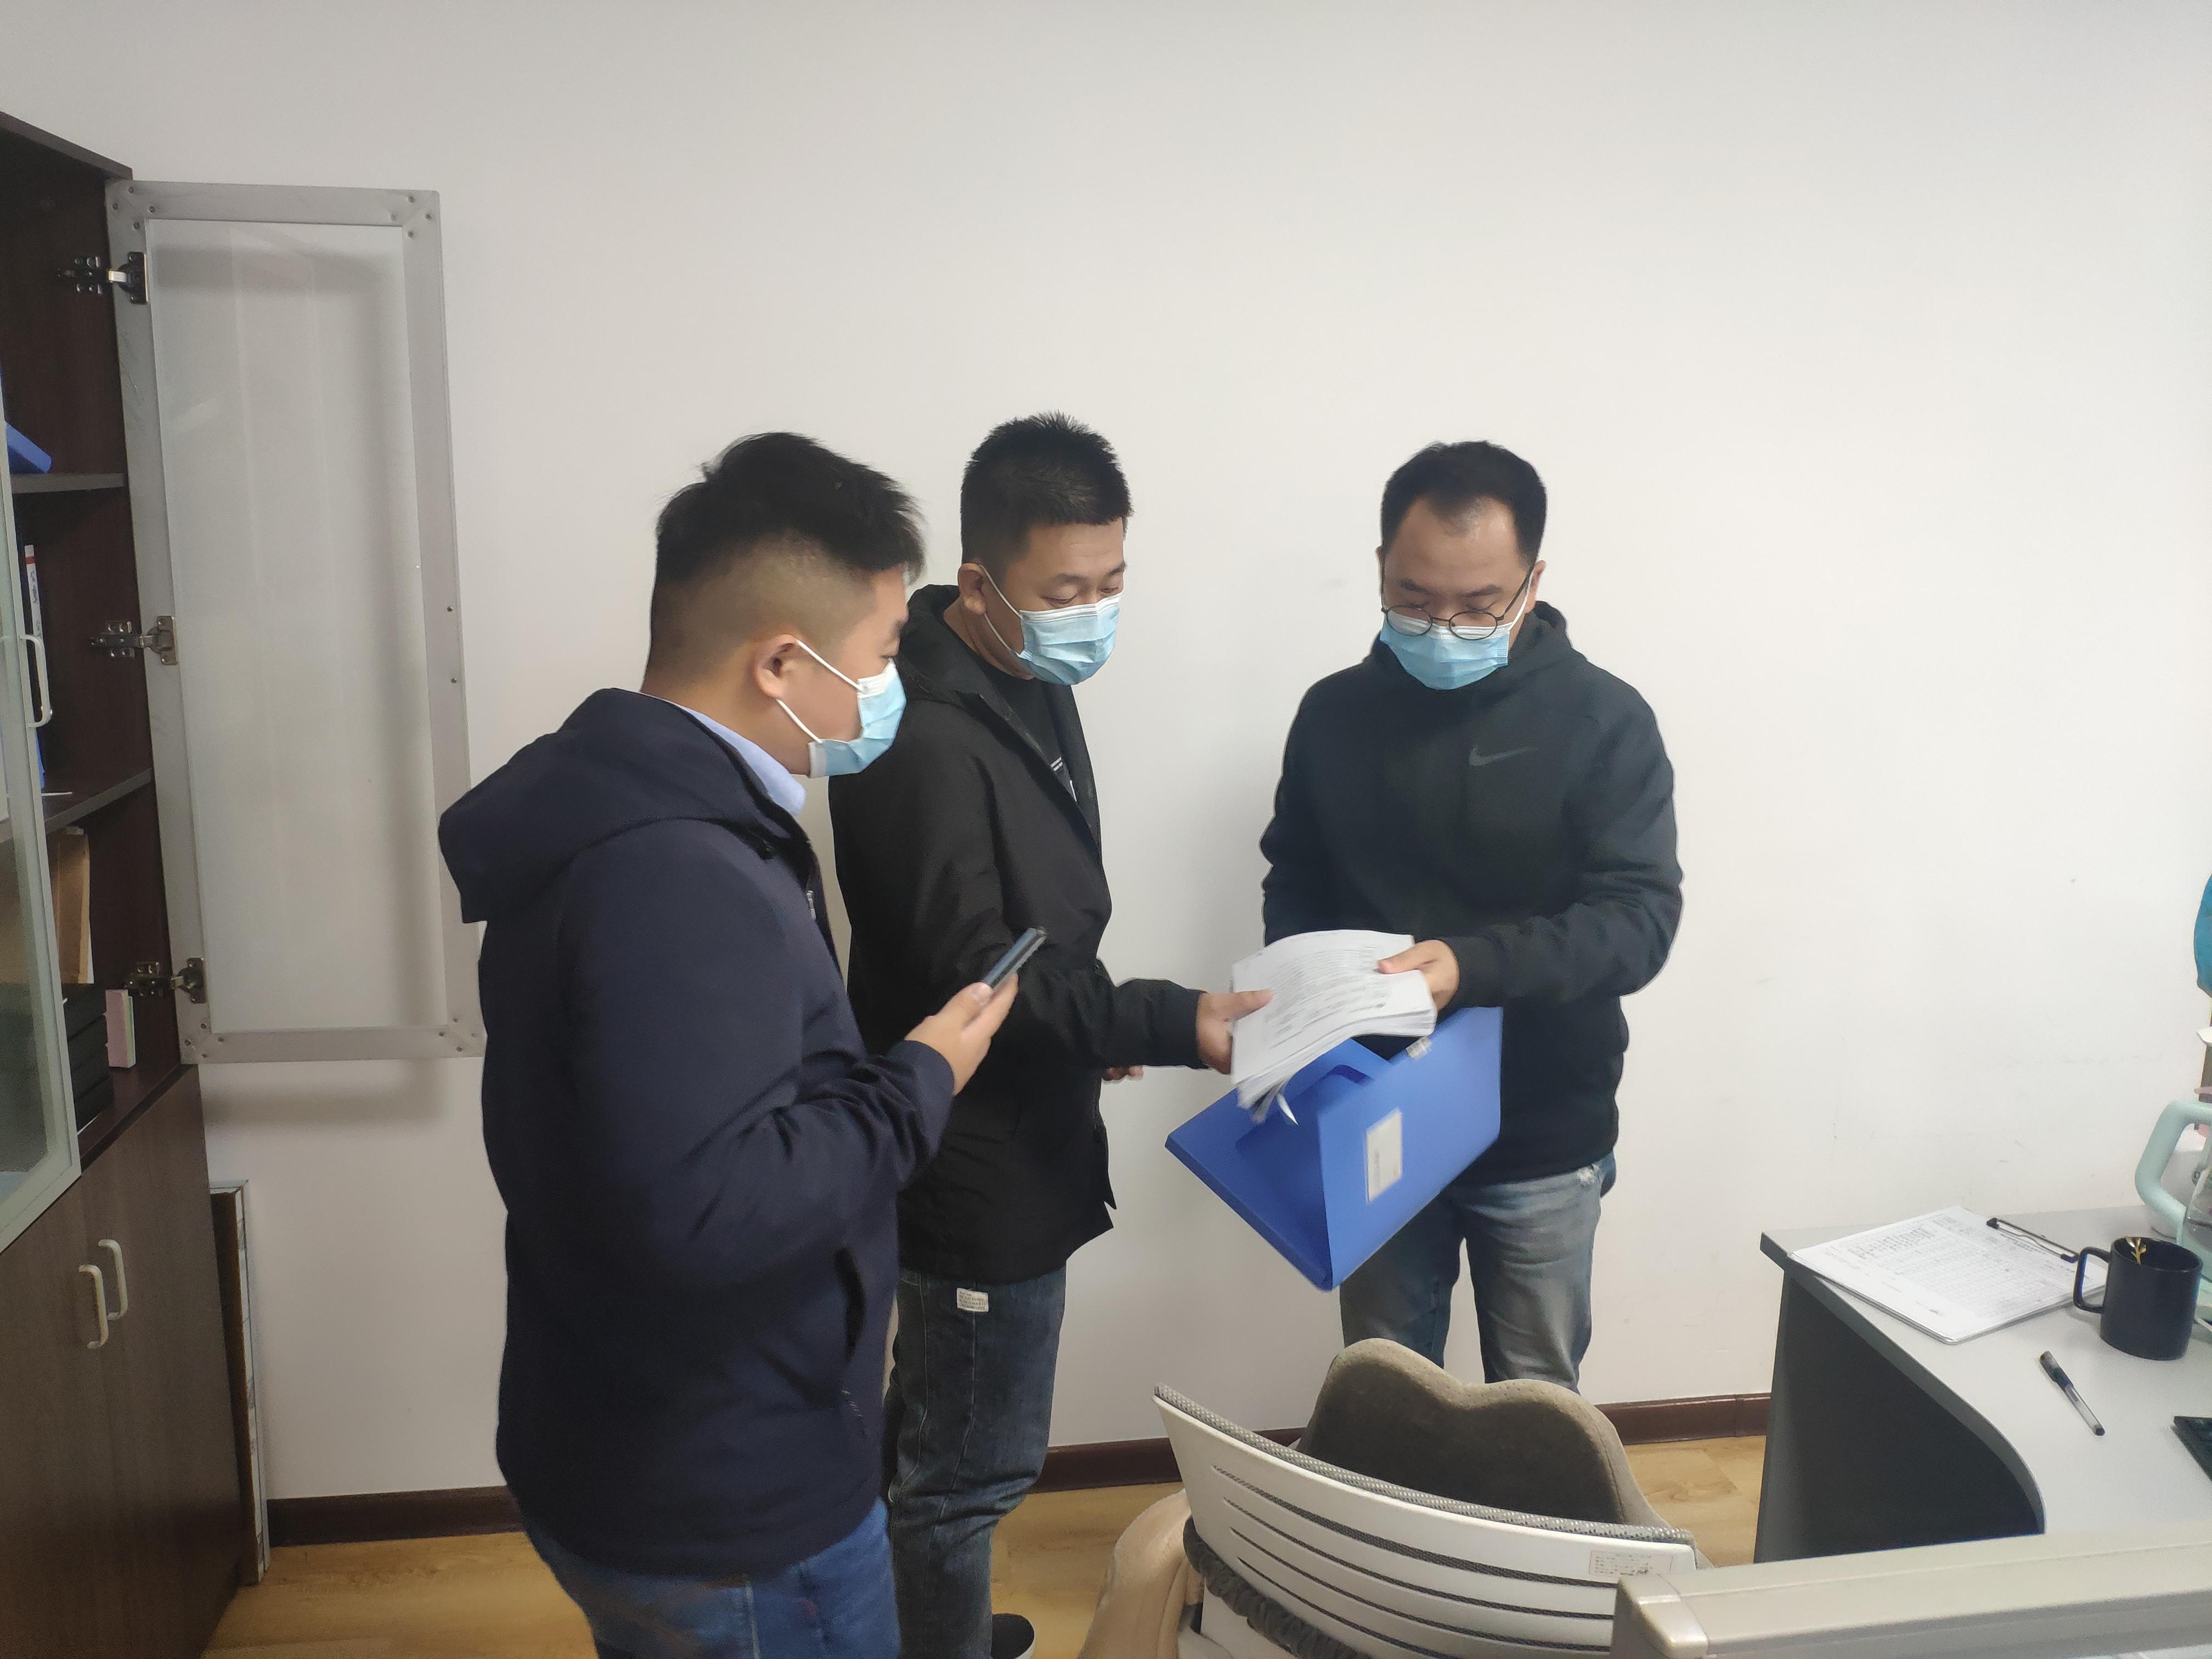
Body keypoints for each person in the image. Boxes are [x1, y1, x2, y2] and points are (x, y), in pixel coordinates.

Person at [438, 433, 1018, 1659]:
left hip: (639, 1430)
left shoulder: (629, 805)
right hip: (729, 1499)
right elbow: (711, 1207)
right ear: (781, 664)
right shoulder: (677, 877)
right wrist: (921, 1082)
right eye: (882, 655)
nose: (891, 685)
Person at [828, 413, 1268, 1659]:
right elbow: (976, 974)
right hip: (972, 1154)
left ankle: (933, 1631)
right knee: (966, 1470)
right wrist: (1173, 1019)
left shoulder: (1021, 676)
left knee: (940, 1426)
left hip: (1026, 1108)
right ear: (980, 584)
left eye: (1112, 581)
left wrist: (1089, 1022)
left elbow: (1033, 929)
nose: (1095, 612)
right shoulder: (918, 736)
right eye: (1066, 591)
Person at [1260, 440, 1680, 1390]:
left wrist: (1470, 965)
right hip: (1375, 1112)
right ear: (1381, 567)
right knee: (1384, 1390)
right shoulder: (1333, 715)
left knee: (1536, 1403)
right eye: (1413, 600)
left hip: (1541, 1133)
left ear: (1533, 581)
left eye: (1479, 605)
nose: (1443, 627)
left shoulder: (1603, 720)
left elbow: (1638, 922)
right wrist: (1300, 988)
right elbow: (1297, 875)